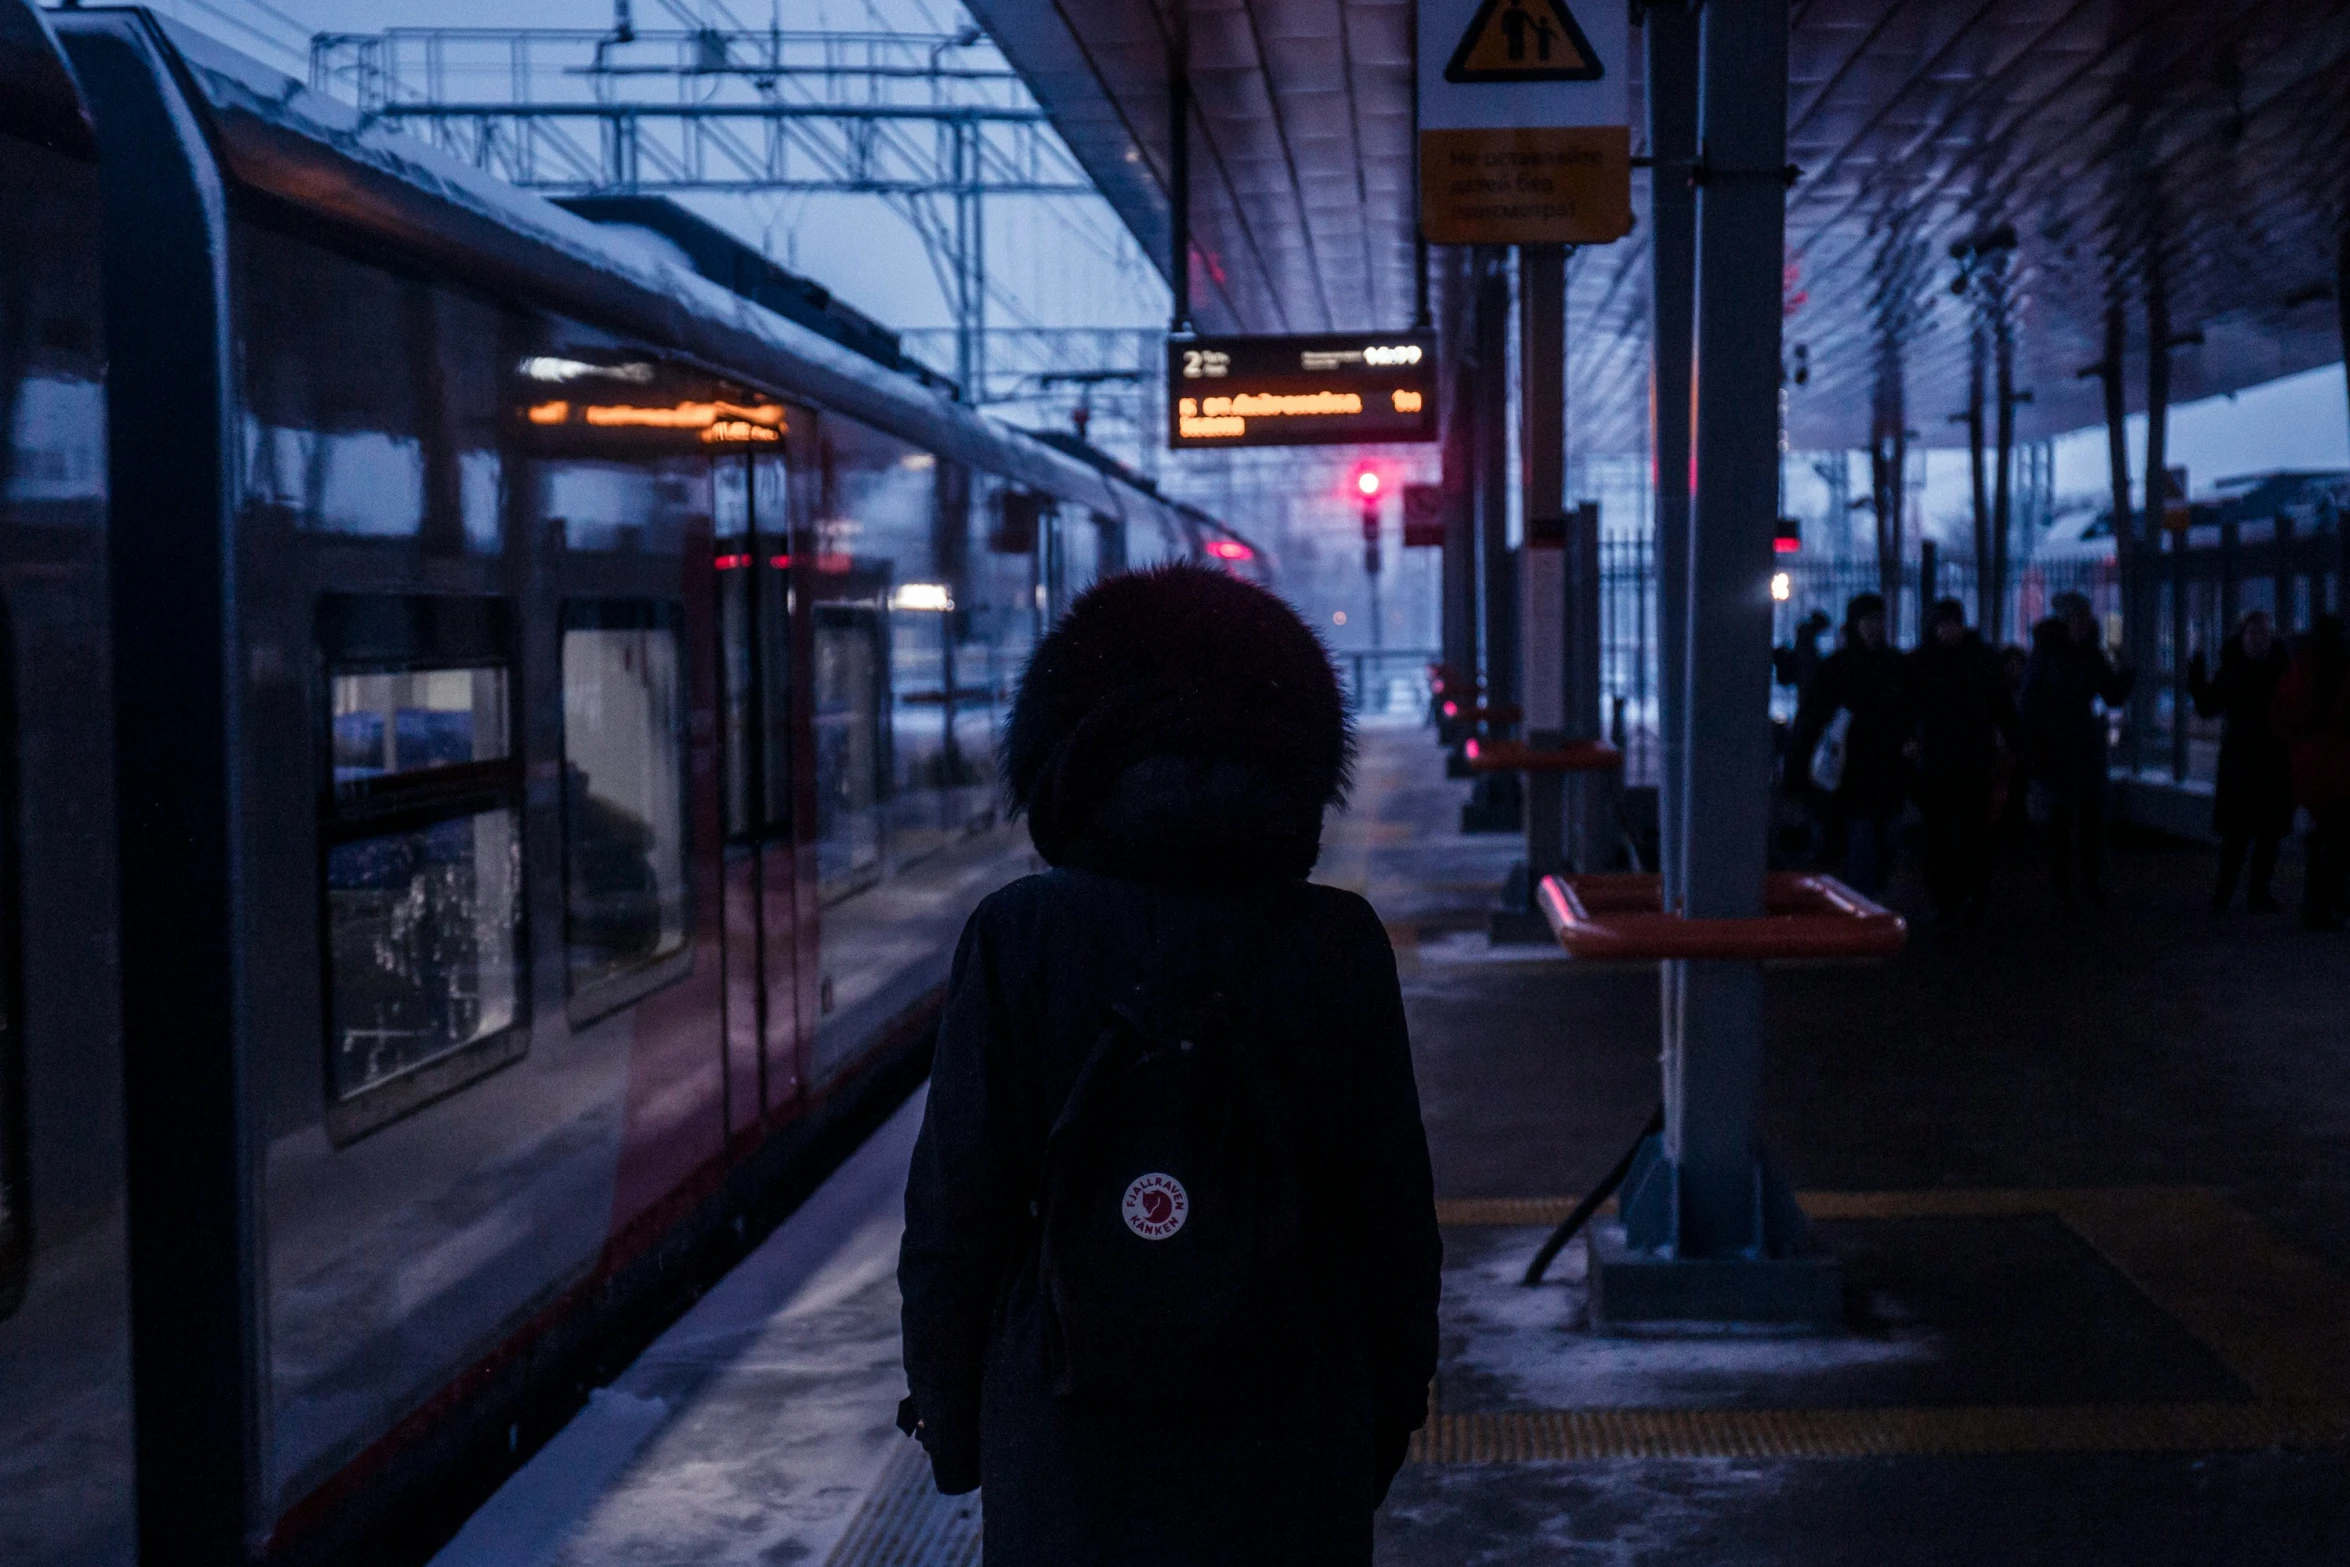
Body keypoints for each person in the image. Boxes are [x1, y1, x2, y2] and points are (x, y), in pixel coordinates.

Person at [898, 563, 1442, 1565]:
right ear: (1294, 755)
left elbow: (953, 1219)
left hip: (1065, 1439)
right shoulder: (1337, 942)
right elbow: (1392, 1221)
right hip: (1291, 1432)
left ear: (1064, 754)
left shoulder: (1017, 936)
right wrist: (1379, 1419)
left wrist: (955, 1429)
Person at [1788, 592, 1910, 894]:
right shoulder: (1884, 665)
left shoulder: (1851, 666)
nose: (1874, 626)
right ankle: (1866, 905)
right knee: (1868, 844)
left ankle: (1864, 905)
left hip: (1873, 767)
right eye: (1869, 620)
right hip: (1863, 771)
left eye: (1878, 619)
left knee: (1877, 843)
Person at [1905, 598, 2018, 921]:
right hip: (1967, 757)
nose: (1948, 630)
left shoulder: (1923, 661)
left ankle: (1951, 898)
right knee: (1965, 833)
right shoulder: (1981, 660)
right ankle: (1967, 896)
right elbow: (2002, 706)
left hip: (1946, 759)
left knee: (1949, 833)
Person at [2020, 592, 2134, 909]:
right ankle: (2074, 885)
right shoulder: (2071, 654)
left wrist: (2122, 673)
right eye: (2077, 619)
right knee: (2069, 819)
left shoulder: (2056, 654)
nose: (2082, 625)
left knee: (2083, 819)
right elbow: (2110, 694)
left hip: (2073, 746)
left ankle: (2079, 884)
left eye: (2084, 619)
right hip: (2067, 745)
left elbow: (2111, 694)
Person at [2188, 610, 2292, 911]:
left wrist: (2197, 677)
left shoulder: (2235, 669)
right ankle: (2248, 893)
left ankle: (2233, 893)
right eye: (2254, 634)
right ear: (2245, 637)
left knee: (2254, 833)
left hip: (2249, 759)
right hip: (2260, 760)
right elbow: (2209, 705)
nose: (2259, 639)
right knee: (2250, 833)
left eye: (2262, 634)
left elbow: (2208, 705)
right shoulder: (2278, 670)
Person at [2273, 613, 2350, 931]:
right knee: (2340, 841)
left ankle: (2317, 906)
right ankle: (2335, 903)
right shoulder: (2343, 671)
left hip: (2308, 768)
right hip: (2342, 768)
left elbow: (2280, 718)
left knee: (2318, 841)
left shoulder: (2299, 672)